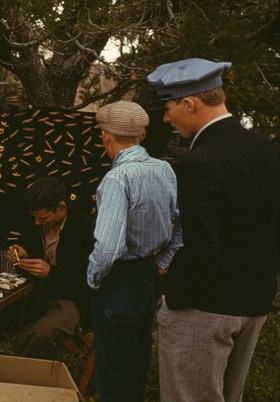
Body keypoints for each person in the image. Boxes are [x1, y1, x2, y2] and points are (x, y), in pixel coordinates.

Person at [147, 58, 280, 401]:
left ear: (189, 103)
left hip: (206, 308)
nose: (166, 119)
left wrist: (171, 296)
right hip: (255, 302)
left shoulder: (198, 164)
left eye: (168, 107)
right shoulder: (267, 149)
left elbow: (203, 250)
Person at [86, 100, 181, 402]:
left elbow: (109, 248)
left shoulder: (117, 179)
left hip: (120, 278)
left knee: (114, 369)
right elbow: (180, 226)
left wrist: (94, 279)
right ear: (141, 135)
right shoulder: (163, 169)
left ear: (106, 136)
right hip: (147, 275)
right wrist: (159, 263)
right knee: (137, 359)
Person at [0, 177, 94, 360]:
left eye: (43, 218)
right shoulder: (37, 223)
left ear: (61, 208)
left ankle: (26, 377)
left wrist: (51, 272)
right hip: (32, 293)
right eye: (35, 218)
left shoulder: (85, 230)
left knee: (40, 334)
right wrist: (22, 254)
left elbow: (88, 281)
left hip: (69, 301)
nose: (37, 223)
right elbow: (28, 254)